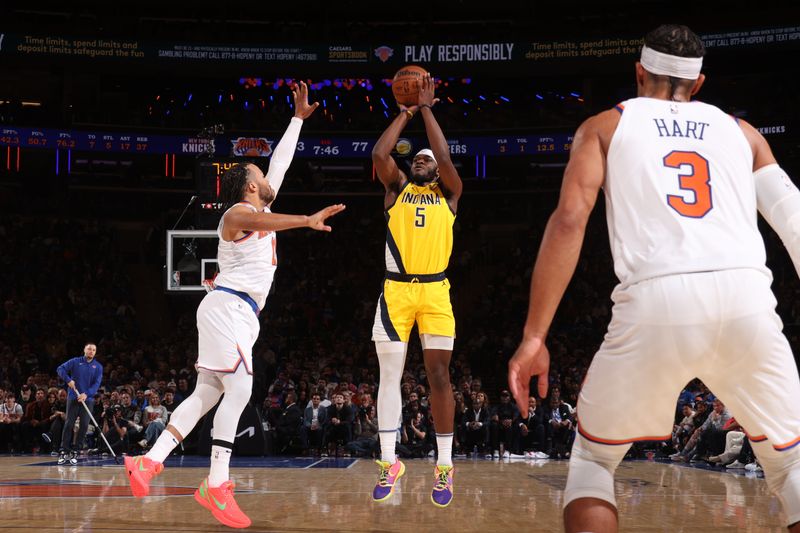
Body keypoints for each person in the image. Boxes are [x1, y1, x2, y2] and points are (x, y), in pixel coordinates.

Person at [508, 24, 800, 532]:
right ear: (699, 84)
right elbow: (794, 219)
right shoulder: (743, 132)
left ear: (639, 72)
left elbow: (570, 221)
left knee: (594, 465)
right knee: (792, 465)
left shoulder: (604, 126)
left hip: (657, 301)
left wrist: (535, 336)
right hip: (748, 298)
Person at [123, 81, 344, 529]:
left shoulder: (259, 206)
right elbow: (266, 214)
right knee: (240, 387)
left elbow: (281, 160)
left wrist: (297, 120)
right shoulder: (235, 216)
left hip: (240, 313)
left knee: (208, 392)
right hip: (227, 307)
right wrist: (306, 219)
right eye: (258, 173)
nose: (266, 175)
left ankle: (149, 462)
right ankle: (217, 484)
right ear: (248, 186)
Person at [371, 73, 463, 508]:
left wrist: (427, 108)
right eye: (419, 159)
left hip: (435, 293)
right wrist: (405, 110)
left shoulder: (449, 193)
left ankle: (444, 466)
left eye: (430, 159)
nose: (425, 161)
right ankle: (389, 462)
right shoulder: (396, 190)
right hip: (395, 294)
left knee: (439, 376)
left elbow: (443, 153)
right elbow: (379, 152)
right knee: (389, 376)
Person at [56, 342, 103, 465]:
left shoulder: (98, 367)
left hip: (88, 400)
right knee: (69, 424)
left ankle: (76, 451)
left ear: (95, 352)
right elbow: (60, 369)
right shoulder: (75, 361)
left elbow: (96, 384)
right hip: (73, 397)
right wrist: (68, 380)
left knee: (84, 426)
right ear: (84, 350)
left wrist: (86, 394)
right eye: (89, 349)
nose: (91, 351)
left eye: (93, 350)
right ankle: (64, 451)